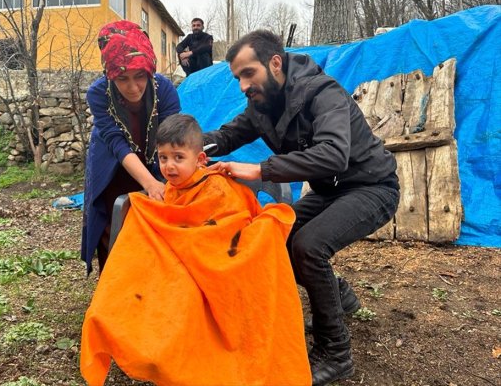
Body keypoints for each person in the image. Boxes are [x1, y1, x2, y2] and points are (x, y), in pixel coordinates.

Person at [203, 30, 400, 386]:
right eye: (238, 78)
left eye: (249, 73)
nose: (243, 86)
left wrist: (262, 169)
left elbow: (334, 154)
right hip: (329, 191)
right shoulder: (261, 106)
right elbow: (227, 135)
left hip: (371, 185)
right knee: (274, 240)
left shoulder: (323, 93)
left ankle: (335, 353)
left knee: (308, 248)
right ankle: (340, 296)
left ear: (274, 62)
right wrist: (186, 147)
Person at [80, 113, 311, 386]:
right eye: (163, 158)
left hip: (212, 267)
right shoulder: (168, 191)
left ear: (200, 160)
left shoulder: (217, 188)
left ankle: (185, 358)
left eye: (178, 157)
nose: (169, 166)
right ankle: (150, 348)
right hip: (176, 263)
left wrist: (189, 244)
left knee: (184, 299)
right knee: (128, 289)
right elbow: (168, 224)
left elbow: (227, 228)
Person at [81, 20, 181, 275]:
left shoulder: (164, 89)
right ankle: (115, 286)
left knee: (158, 218)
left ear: (150, 70)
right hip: (112, 162)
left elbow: (172, 136)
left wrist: (164, 179)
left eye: (140, 77)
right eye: (122, 78)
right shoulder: (98, 93)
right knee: (113, 218)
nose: (133, 87)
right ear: (109, 75)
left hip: (157, 156)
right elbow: (116, 143)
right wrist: (148, 183)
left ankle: (153, 281)